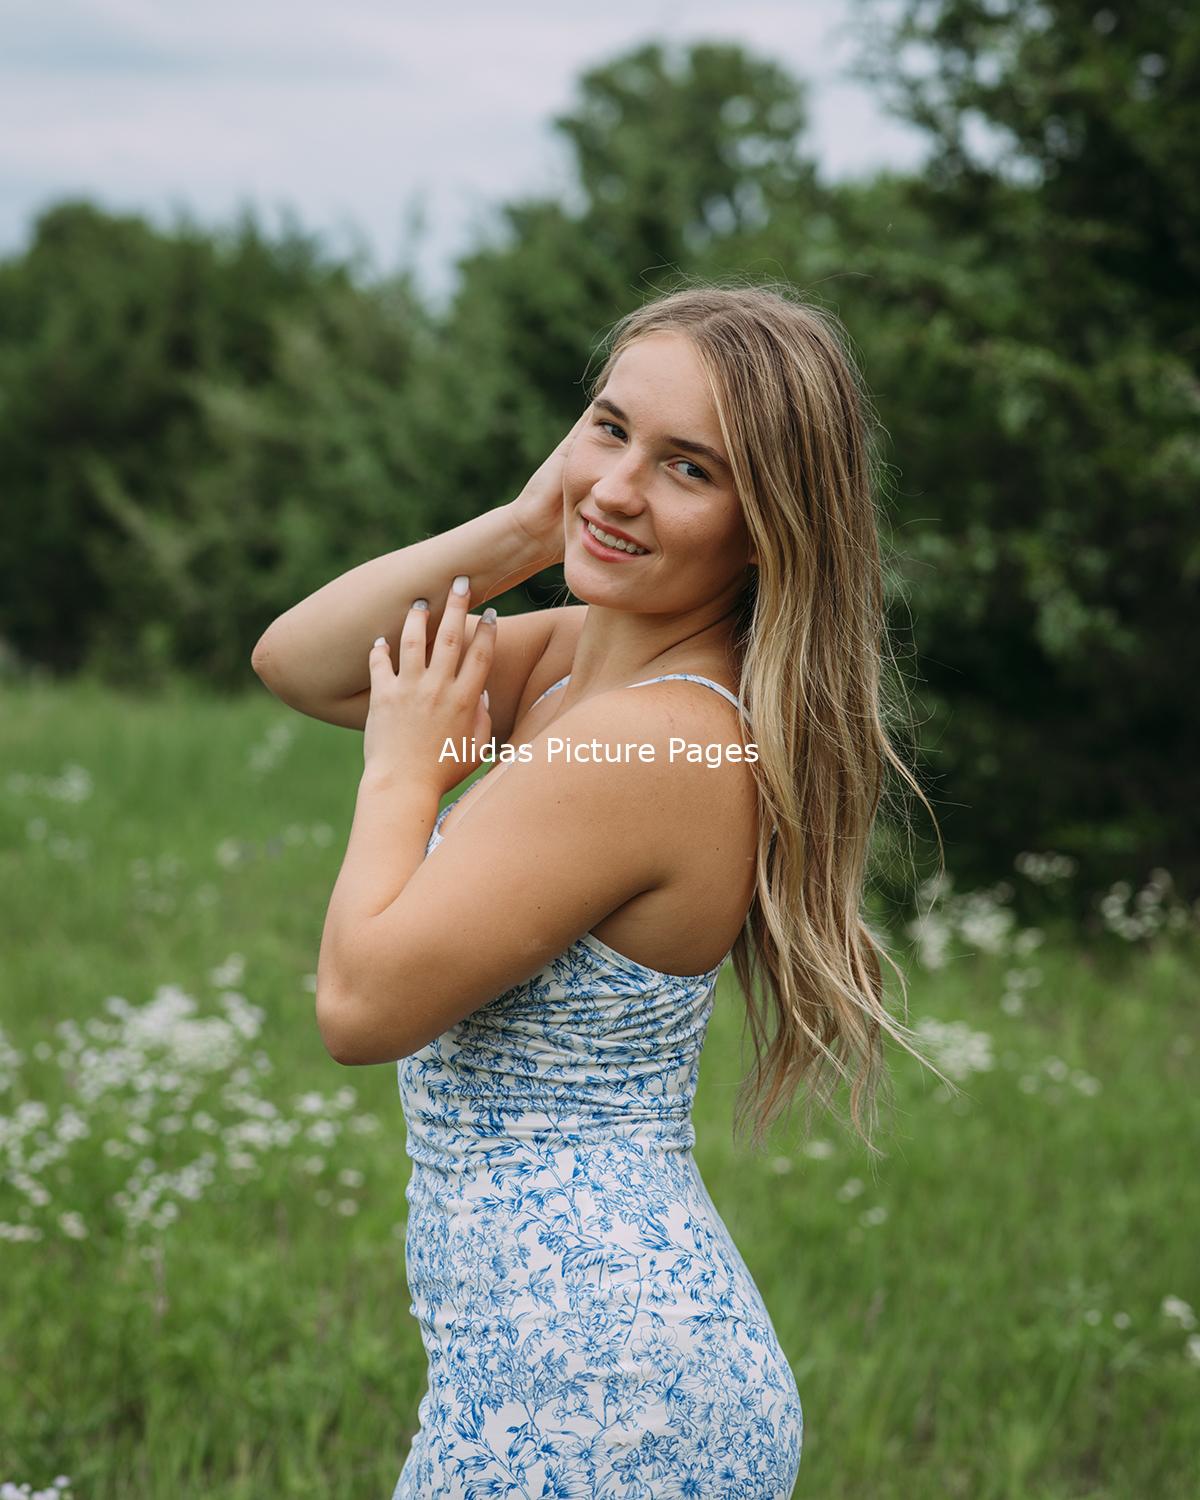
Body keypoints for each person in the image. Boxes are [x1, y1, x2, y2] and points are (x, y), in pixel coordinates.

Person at [252, 282, 948, 1498]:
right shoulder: (576, 670)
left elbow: (359, 1008)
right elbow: (303, 662)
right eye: (610, 428)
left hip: (602, 1392)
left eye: (689, 469)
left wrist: (402, 776)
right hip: (573, 1370)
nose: (622, 486)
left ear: (766, 526)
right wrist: (532, 525)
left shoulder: (651, 745)